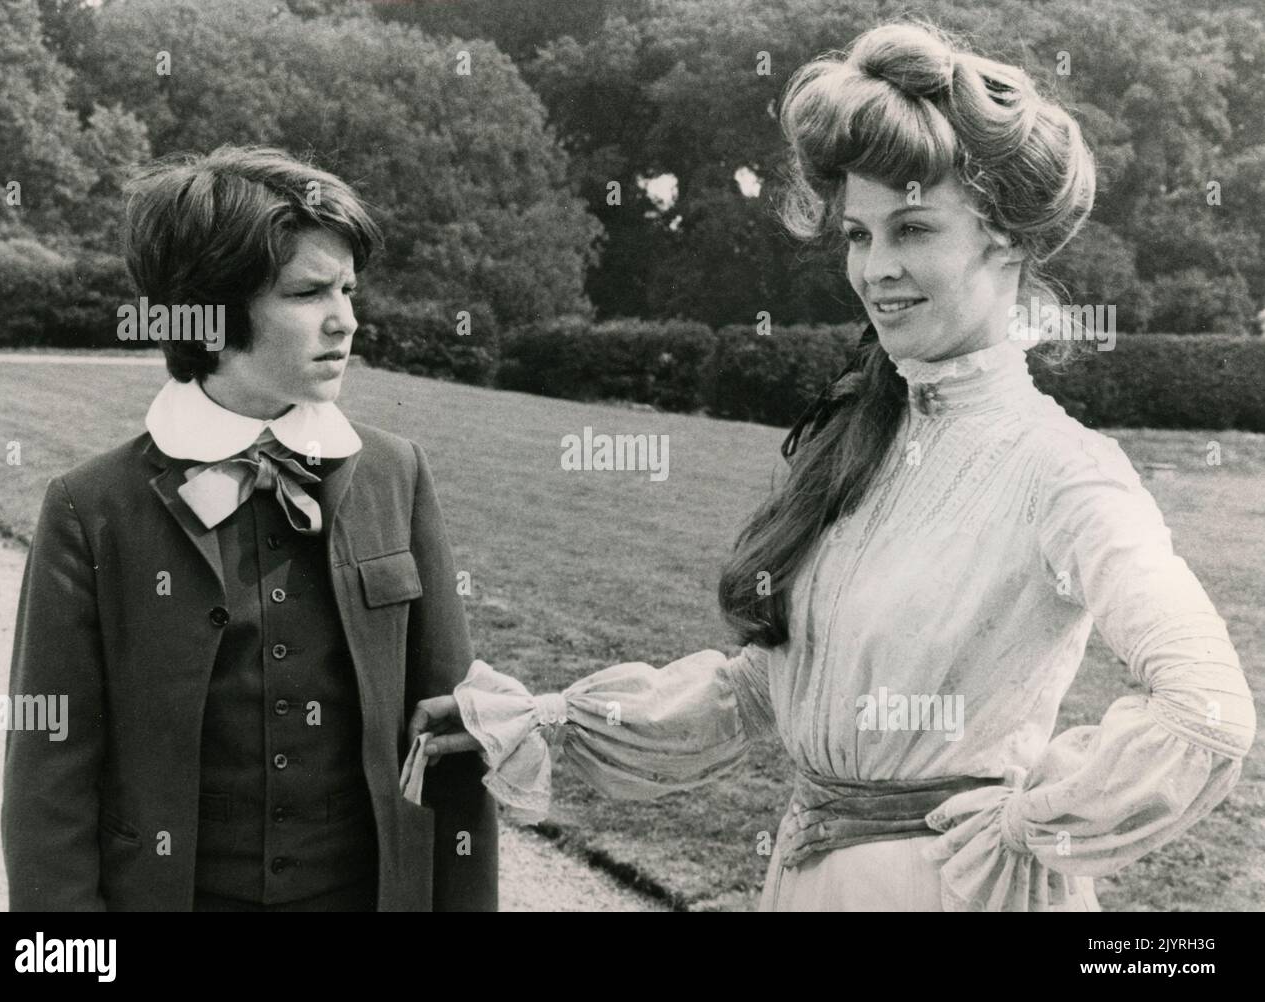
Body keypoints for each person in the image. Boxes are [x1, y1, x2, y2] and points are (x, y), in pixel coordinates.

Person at [407, 22, 1255, 911]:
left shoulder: (1068, 474)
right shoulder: (864, 435)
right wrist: (544, 720)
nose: (877, 269)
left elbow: (1208, 712)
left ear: (1006, 239)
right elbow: (761, 691)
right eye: (859, 234)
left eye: (914, 228)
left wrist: (1032, 821)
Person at [1, 146, 497, 911]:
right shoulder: (90, 508)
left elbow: (456, 746)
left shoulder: (396, 475)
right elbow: (48, 782)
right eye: (307, 293)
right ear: (211, 313)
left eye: (349, 289)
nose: (346, 320)